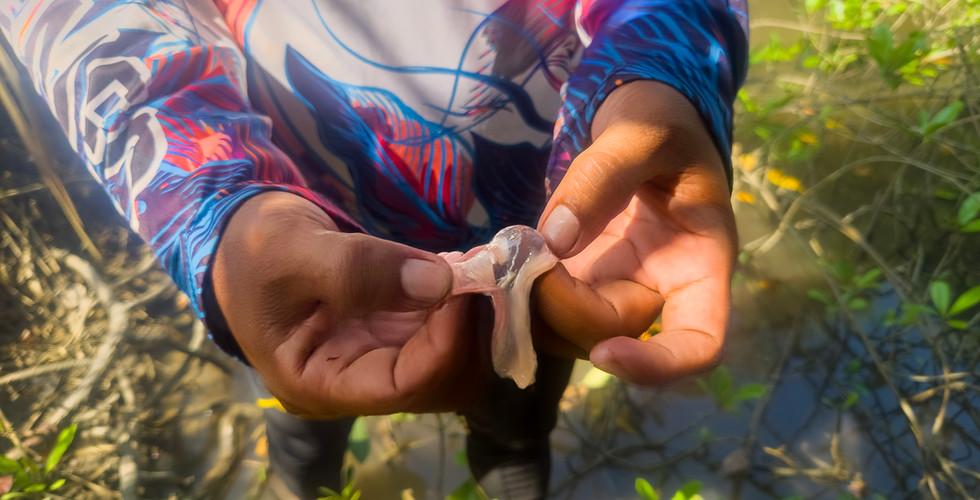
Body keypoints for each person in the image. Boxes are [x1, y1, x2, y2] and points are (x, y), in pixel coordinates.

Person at [1, 1, 747, 498]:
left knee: (517, 416)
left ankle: (512, 464)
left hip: (563, 242)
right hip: (307, 238)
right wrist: (217, 210)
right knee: (305, 423)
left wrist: (666, 73)